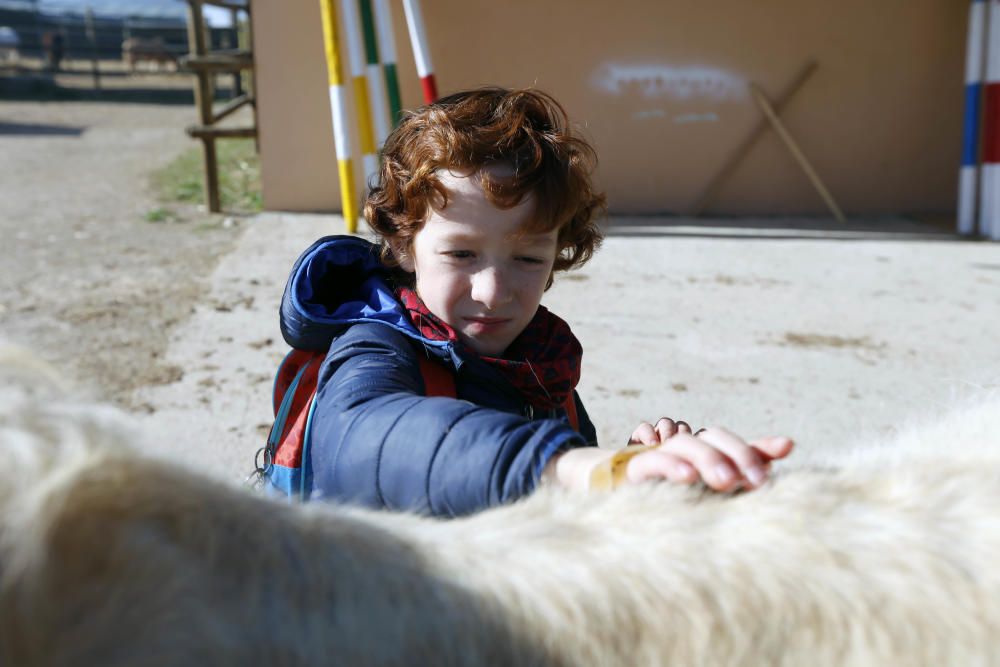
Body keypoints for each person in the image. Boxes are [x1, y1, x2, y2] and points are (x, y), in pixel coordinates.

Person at [278, 87, 793, 516]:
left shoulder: (540, 361)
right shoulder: (371, 348)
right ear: (402, 245)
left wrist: (630, 470)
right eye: (461, 253)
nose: (493, 292)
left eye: (527, 258)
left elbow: (563, 509)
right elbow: (364, 437)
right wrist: (564, 467)